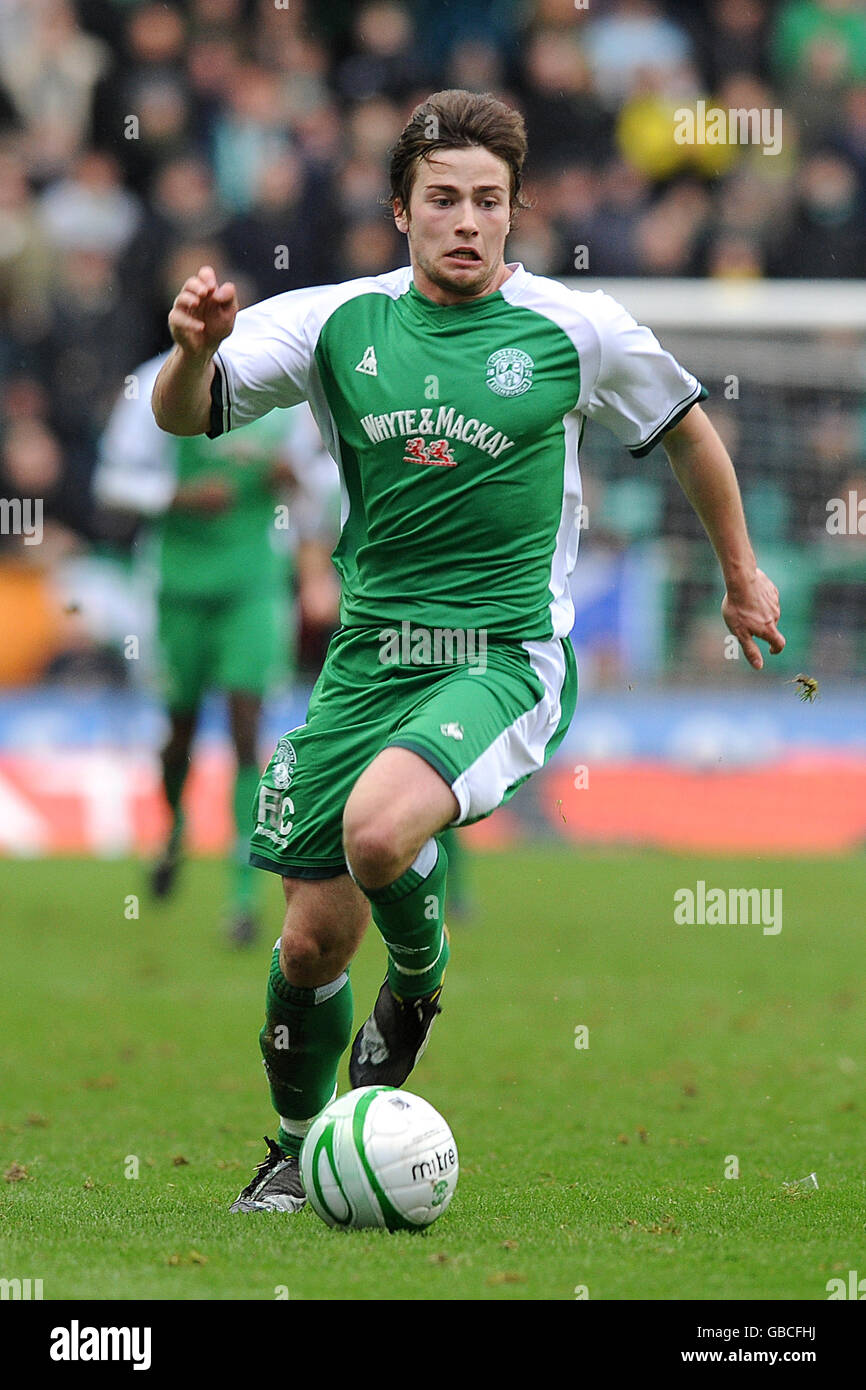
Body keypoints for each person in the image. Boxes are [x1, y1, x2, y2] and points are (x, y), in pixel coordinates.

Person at [152, 89, 785, 1213]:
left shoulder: (570, 329)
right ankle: (296, 1147)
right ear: (400, 208)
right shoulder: (338, 322)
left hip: (502, 654)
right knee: (304, 948)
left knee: (378, 835)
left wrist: (739, 574)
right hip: (365, 659)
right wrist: (196, 352)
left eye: (487, 202)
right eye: (442, 199)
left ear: (511, 212)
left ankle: (422, 976)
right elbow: (181, 415)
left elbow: (687, 425)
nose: (466, 221)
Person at [96, 354, 339, 944]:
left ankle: (241, 896)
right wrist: (176, 496)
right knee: (178, 729)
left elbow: (328, 482)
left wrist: (294, 482)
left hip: (254, 587)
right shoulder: (155, 385)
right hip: (178, 588)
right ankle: (173, 831)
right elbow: (112, 481)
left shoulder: (283, 394)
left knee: (244, 726)